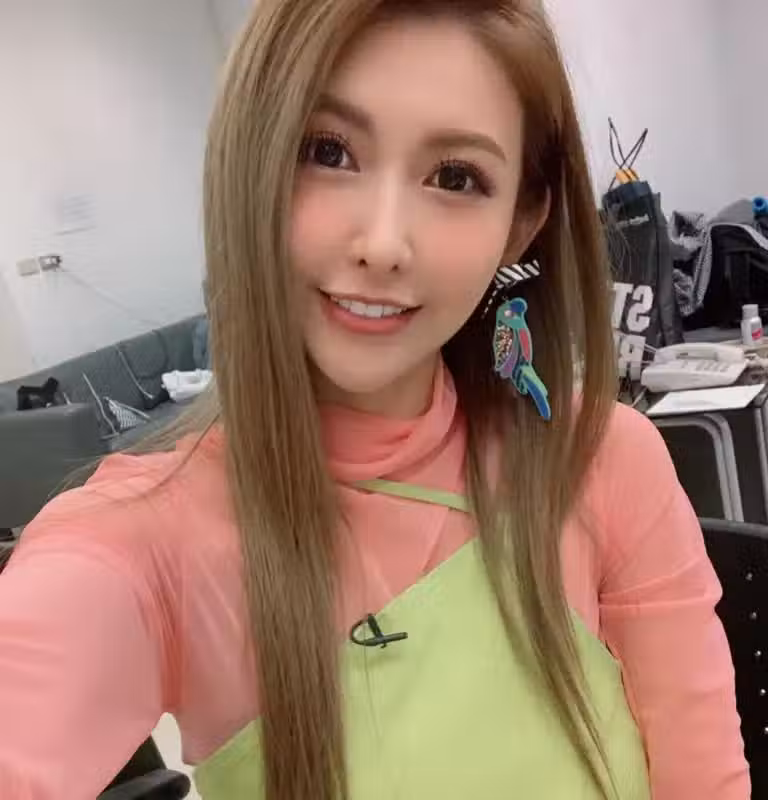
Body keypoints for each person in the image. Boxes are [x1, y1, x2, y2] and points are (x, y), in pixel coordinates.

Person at [0, 1, 750, 798]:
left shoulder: (602, 459)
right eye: (327, 151)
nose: (384, 244)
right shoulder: (148, 542)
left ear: (521, 222)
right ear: (250, 158)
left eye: (455, 177)